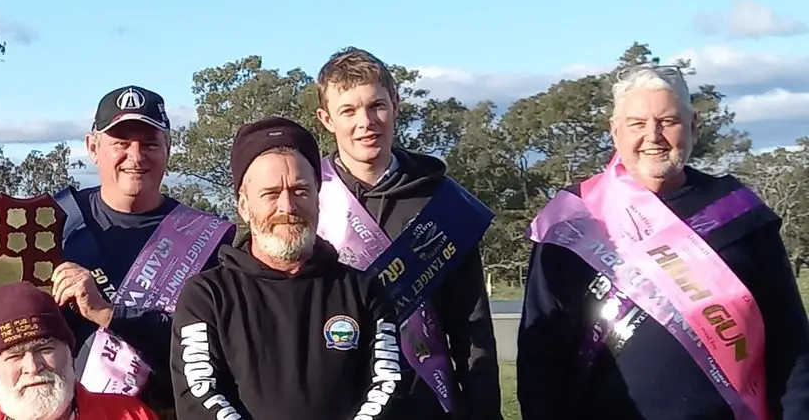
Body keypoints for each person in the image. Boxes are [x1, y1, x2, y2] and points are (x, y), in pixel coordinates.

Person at [518, 62, 809, 420]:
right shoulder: (574, 219)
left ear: (693, 126)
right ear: (615, 132)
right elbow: (540, 354)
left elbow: (790, 341)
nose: (653, 136)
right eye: (637, 124)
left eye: (668, 121)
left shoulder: (739, 215)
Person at [313, 47, 504, 420]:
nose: (365, 122)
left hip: (427, 404)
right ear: (326, 119)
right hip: (338, 402)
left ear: (397, 104)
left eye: (376, 105)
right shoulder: (309, 198)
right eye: (348, 111)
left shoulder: (442, 202)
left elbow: (471, 327)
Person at [170, 116, 401, 420]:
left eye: (300, 190)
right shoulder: (207, 296)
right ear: (244, 205)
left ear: (318, 198)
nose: (287, 207)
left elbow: (388, 384)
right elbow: (199, 395)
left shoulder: (363, 289)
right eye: (270, 193)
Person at [49, 86, 233, 417]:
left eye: (149, 143)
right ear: (93, 147)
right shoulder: (55, 222)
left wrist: (109, 314)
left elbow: (211, 351)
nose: (136, 156)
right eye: (121, 143)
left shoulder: (212, 239)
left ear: (168, 149)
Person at [0, 281, 158, 420]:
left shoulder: (131, 415)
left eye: (44, 348)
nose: (33, 367)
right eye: (14, 355)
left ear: (69, 352)